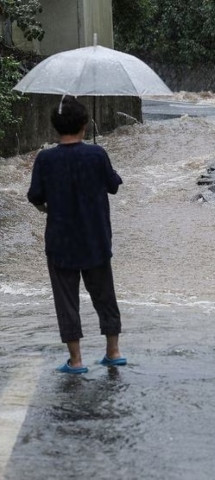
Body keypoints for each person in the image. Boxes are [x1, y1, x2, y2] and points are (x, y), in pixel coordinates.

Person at [27, 96, 127, 374]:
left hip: (60, 241)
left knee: (66, 300)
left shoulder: (45, 159)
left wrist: (46, 209)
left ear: (55, 127)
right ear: (85, 125)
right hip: (96, 238)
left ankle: (76, 359)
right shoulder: (97, 154)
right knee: (105, 294)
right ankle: (113, 350)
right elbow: (114, 185)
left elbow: (35, 196)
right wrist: (106, 164)